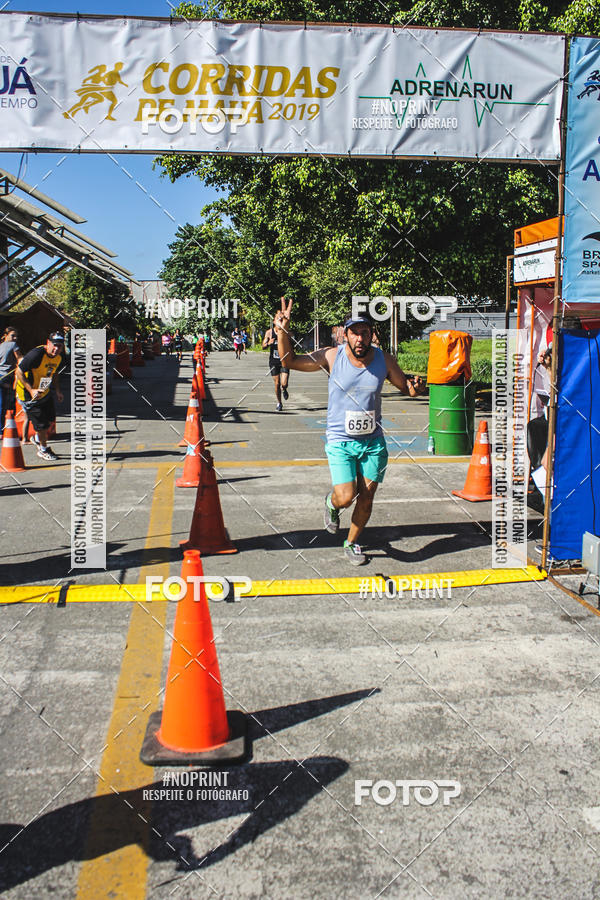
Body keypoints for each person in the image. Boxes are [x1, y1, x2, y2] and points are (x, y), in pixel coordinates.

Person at [275, 299, 425, 565]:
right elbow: (290, 360)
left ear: (372, 334)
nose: (359, 338)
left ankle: (352, 542)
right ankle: (332, 506)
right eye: (354, 332)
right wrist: (283, 333)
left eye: (364, 332)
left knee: (367, 497)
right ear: (345, 334)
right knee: (346, 497)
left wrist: (417, 388)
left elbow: (406, 388)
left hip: (373, 443)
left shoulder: (384, 360)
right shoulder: (332, 356)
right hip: (340, 441)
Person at [15, 332, 64, 461]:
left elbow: (55, 373)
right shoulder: (36, 355)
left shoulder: (58, 358)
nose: (56, 349)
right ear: (48, 343)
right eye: (54, 345)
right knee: (41, 425)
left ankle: (37, 438)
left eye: (59, 346)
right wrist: (31, 390)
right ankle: (43, 450)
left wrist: (58, 390)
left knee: (49, 420)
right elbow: (18, 372)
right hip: (29, 395)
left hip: (44, 393)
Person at [263, 316, 290, 411]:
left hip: (284, 361)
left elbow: (292, 344)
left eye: (281, 320)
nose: (280, 322)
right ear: (274, 322)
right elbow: (263, 346)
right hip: (274, 361)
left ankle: (285, 389)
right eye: (278, 320)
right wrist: (268, 343)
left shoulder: (286, 332)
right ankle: (279, 403)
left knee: (284, 383)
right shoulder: (269, 332)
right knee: (277, 383)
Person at [0, 326, 23, 429]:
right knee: (9, 403)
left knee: (1, 403)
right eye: (13, 336)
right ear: (5, 335)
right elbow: (20, 359)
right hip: (7, 377)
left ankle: (1, 429)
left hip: (1, 377)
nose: (15, 338)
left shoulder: (0, 346)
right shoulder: (13, 345)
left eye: (16, 336)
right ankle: (9, 427)